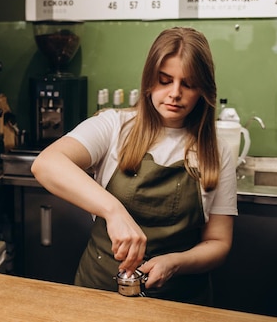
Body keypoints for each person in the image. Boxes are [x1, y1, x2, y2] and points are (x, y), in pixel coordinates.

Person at [31, 27, 237, 305]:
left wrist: (175, 263)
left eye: (188, 84)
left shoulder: (217, 151)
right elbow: (46, 163)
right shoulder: (114, 125)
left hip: (180, 302)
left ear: (203, 90)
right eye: (165, 81)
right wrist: (113, 211)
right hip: (100, 292)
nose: (174, 93)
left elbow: (219, 243)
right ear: (149, 80)